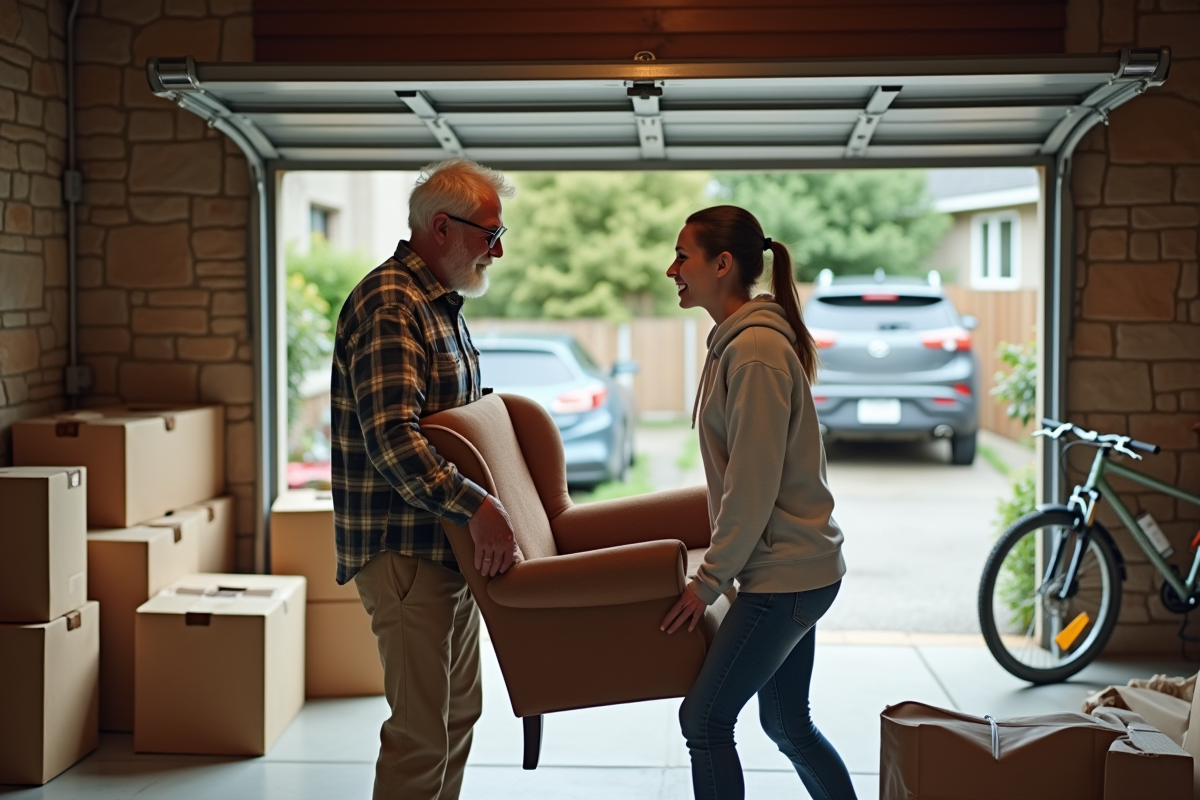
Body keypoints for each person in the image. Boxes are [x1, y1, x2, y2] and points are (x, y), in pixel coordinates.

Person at [330, 158, 523, 800]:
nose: (497, 250)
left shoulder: (438, 303)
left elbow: (454, 421)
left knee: (457, 716)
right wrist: (480, 507)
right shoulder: (393, 303)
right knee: (420, 735)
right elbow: (393, 438)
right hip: (406, 551)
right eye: (489, 234)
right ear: (442, 227)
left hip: (446, 546)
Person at [660, 205, 857, 800]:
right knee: (787, 724)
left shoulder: (754, 353)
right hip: (795, 570)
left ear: (722, 264)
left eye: (682, 256)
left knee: (704, 720)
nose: (671, 269)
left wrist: (709, 581)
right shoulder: (741, 344)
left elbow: (752, 484)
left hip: (786, 578)